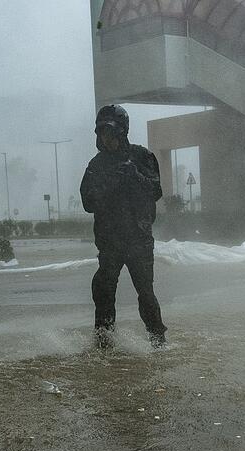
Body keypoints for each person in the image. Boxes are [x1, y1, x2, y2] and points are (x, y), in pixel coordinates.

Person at [80, 105, 167, 348]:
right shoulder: (96, 165)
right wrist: (111, 184)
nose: (104, 138)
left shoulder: (142, 157)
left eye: (108, 132)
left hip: (138, 239)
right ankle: (104, 343)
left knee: (146, 293)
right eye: (100, 133)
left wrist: (134, 176)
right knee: (103, 291)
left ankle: (158, 341)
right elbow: (88, 201)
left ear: (121, 131)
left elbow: (156, 191)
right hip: (110, 241)